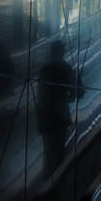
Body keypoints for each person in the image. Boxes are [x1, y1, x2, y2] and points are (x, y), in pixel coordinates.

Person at [38, 40, 76, 177]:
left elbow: (40, 94)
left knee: (48, 149)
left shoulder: (44, 69)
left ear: (51, 52)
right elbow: (74, 94)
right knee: (59, 148)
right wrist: (65, 99)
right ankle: (59, 176)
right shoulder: (67, 69)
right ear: (63, 52)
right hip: (61, 115)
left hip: (46, 116)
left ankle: (47, 174)